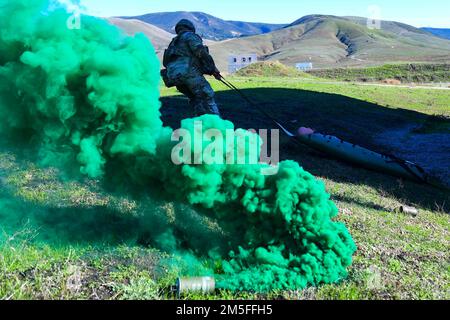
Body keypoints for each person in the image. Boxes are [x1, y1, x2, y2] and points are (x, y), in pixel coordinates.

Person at [161, 19, 221, 117]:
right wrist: (213, 69)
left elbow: (165, 62)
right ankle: (216, 125)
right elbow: (201, 53)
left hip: (173, 77)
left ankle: (198, 125)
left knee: (195, 99)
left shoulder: (173, 43)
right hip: (188, 73)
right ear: (190, 28)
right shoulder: (190, 36)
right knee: (207, 95)